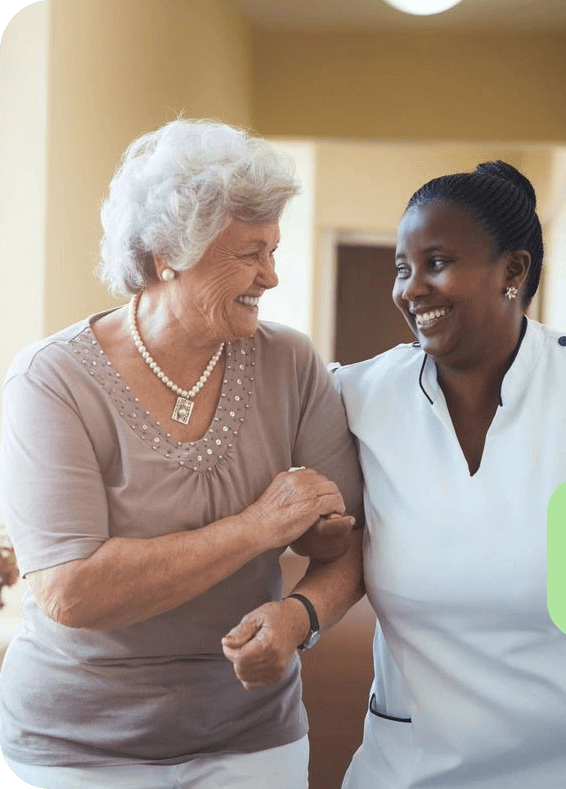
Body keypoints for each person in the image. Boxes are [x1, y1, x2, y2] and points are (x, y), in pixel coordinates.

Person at [228, 161, 566, 788]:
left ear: (513, 271)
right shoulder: (357, 399)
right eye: (403, 268)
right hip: (415, 765)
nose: (410, 289)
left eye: (436, 263)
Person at [0, 118, 364, 789]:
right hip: (78, 746)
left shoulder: (289, 361)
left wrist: (299, 614)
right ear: (169, 250)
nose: (272, 274)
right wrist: (261, 526)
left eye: (274, 248)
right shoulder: (50, 379)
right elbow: (72, 591)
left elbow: (349, 544)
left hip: (253, 732)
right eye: (250, 252)